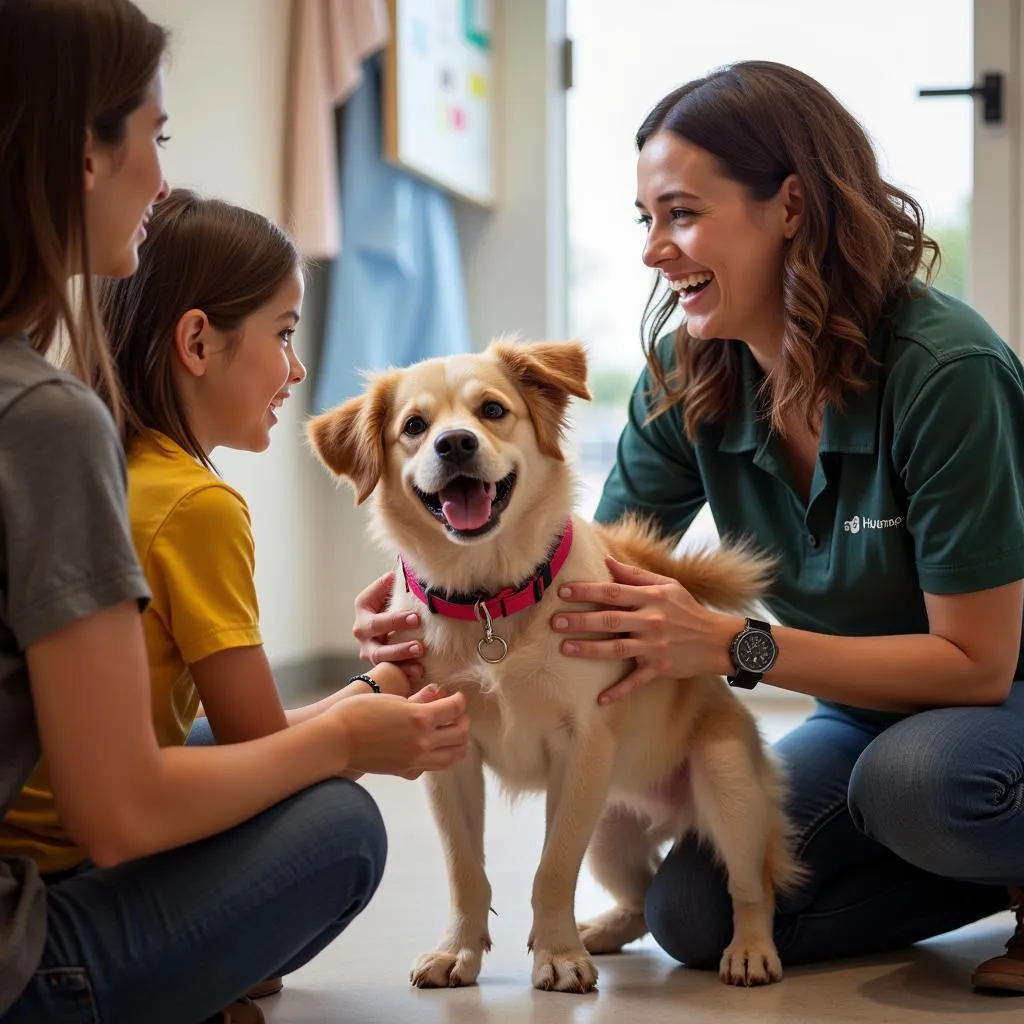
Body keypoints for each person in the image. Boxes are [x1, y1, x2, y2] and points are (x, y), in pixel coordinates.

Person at [356, 60, 1024, 995]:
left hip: (996, 705)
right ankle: (973, 869)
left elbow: (980, 665)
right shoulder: (694, 370)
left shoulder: (944, 372)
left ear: (790, 206)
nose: (653, 250)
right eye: (646, 221)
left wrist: (730, 645)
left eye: (681, 214)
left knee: (918, 787)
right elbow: (588, 571)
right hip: (864, 718)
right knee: (693, 919)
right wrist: (434, 597)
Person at [0, 3, 468, 1022]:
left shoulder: (103, 446)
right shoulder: (60, 428)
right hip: (27, 950)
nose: (161, 181)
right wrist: (355, 731)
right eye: (154, 137)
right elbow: (141, 803)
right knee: (341, 825)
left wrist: (357, 700)